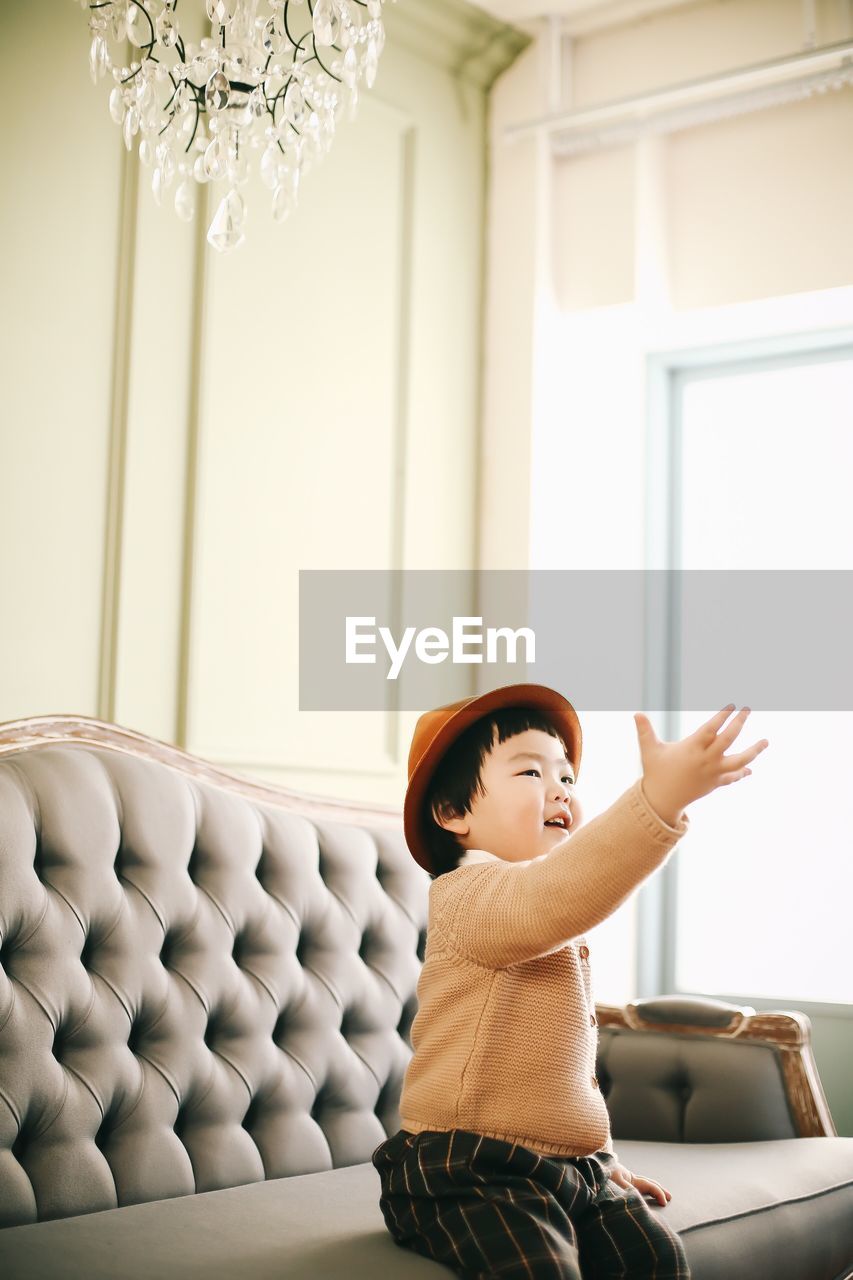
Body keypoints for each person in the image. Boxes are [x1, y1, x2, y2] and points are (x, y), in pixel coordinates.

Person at [371, 682, 769, 1279]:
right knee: (538, 1268)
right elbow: (562, 891)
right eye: (531, 773)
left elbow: (559, 1073)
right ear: (453, 813)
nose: (560, 788)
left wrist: (598, 1159)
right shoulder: (467, 899)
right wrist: (656, 801)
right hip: (463, 1165)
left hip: (566, 1167)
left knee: (657, 1259)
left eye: (568, 777)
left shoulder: (544, 913)